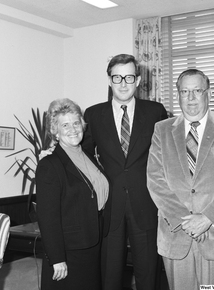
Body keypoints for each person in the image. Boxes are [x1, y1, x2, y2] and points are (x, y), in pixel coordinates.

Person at [147, 69, 214, 289]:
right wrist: (187, 221)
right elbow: (156, 181)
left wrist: (206, 219)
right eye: (185, 91)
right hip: (175, 233)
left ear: (208, 94)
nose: (191, 98)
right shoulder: (162, 130)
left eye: (197, 91)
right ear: (178, 95)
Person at [83, 54, 168, 290]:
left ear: (138, 80)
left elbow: (168, 157)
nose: (123, 83)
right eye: (117, 77)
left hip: (147, 205)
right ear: (109, 81)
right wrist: (54, 154)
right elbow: (84, 157)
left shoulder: (156, 112)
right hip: (110, 207)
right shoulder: (93, 114)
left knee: (148, 275)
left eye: (129, 77)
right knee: (109, 276)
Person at [36, 98, 111, 290]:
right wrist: (57, 258)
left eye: (76, 123)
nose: (73, 129)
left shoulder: (88, 155)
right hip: (70, 250)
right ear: (55, 131)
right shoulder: (49, 164)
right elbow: (47, 217)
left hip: (94, 242)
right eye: (65, 125)